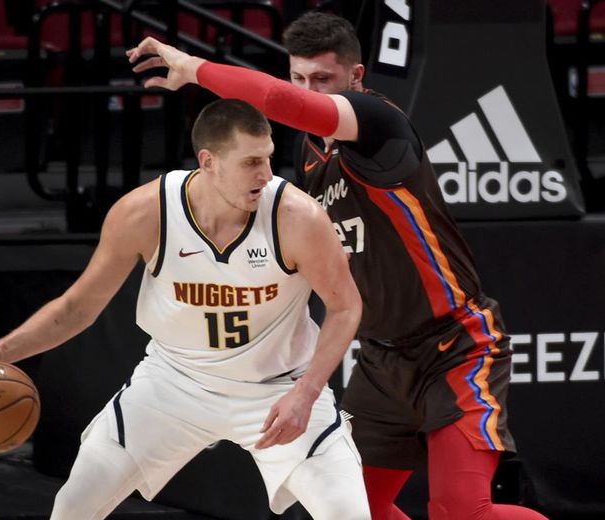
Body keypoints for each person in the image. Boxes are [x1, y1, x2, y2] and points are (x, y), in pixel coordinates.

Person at [125, 11, 549, 520]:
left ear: (356, 76)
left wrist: (194, 68)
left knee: (461, 511)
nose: (308, 91)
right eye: (299, 78)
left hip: (453, 346)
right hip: (380, 359)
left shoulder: (376, 122)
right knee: (349, 511)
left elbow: (283, 102)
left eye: (322, 79)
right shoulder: (306, 155)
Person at [0, 98, 371, 519]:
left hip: (279, 386)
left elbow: (345, 307)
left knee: (348, 514)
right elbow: (77, 308)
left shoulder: (297, 217)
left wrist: (306, 393)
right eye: (250, 162)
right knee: (73, 506)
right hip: (174, 382)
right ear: (208, 161)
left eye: (267, 158)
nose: (265, 174)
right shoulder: (145, 213)